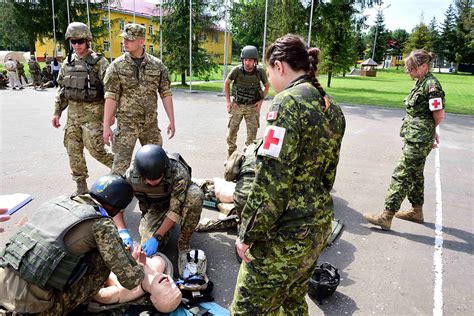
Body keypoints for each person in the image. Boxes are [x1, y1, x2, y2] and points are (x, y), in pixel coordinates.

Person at [230, 34, 346, 315]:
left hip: (285, 235)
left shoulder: (286, 104)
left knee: (246, 309)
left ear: (279, 66)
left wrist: (247, 234)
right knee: (292, 303)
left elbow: (271, 183)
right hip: (317, 229)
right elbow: (327, 177)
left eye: (269, 72)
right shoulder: (332, 107)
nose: (269, 82)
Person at [0, 175, 145, 314]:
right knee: (101, 260)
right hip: (33, 308)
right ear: (116, 208)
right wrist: (138, 265)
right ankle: (76, 305)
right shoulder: (100, 223)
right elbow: (131, 279)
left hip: (3, 286)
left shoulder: (57, 201)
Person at [363, 49, 445, 230]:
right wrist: (430, 131)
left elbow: (439, 114)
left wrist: (431, 132)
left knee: (402, 174)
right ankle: (417, 212)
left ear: (423, 66)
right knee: (415, 175)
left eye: (412, 68)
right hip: (416, 136)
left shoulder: (432, 85)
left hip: (419, 140)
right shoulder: (421, 82)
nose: (409, 72)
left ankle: (386, 216)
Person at [103, 23, 176, 175]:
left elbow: (165, 93)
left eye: (130, 39)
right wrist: (106, 126)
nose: (125, 42)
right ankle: (116, 197)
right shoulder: (116, 66)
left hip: (150, 125)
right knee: (119, 167)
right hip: (126, 125)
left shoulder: (157, 66)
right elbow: (111, 97)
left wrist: (172, 120)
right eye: (125, 39)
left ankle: (155, 196)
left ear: (141, 42)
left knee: (157, 164)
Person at [51, 22, 114, 195]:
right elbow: (63, 90)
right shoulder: (68, 62)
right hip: (73, 117)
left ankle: (121, 170)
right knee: (73, 151)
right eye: (73, 41)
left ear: (87, 41)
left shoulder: (99, 63)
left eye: (80, 41)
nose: (76, 45)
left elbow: (111, 92)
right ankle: (81, 186)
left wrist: (110, 118)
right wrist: (57, 112)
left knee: (97, 150)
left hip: (93, 116)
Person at [114, 144, 203, 258]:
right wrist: (122, 231)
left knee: (195, 195)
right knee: (147, 248)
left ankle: (183, 242)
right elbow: (116, 204)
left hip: (177, 202)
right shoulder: (132, 174)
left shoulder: (177, 171)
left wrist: (157, 237)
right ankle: (164, 225)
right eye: (148, 179)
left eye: (157, 178)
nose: (152, 183)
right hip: (156, 207)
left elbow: (174, 210)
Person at [93, 252, 182, 313]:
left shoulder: (126, 291)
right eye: (174, 286)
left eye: (166, 292)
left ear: (153, 299)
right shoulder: (159, 264)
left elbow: (99, 295)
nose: (168, 283)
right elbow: (157, 255)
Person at [224, 45, 270, 158]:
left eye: (250, 60)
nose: (247, 62)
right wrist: (228, 102)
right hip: (237, 105)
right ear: (242, 60)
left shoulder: (260, 72)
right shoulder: (237, 70)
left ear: (255, 61)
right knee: (231, 133)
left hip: (252, 107)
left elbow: (267, 86)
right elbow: (227, 83)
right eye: (245, 60)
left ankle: (248, 160)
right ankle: (230, 158)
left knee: (251, 136)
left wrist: (261, 100)